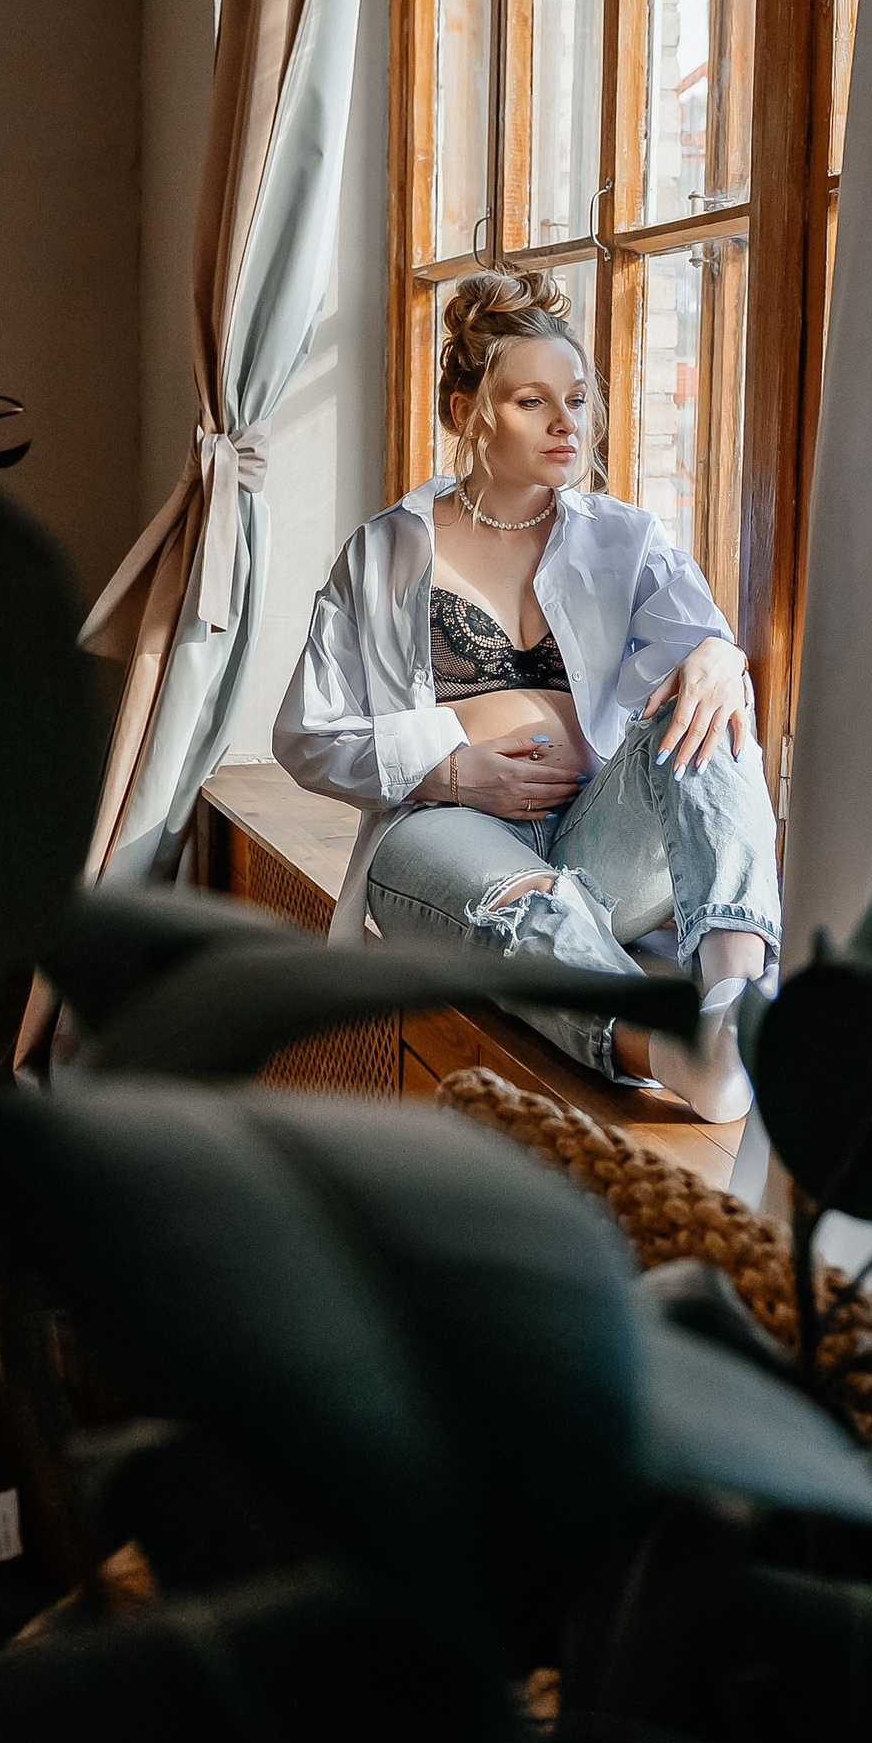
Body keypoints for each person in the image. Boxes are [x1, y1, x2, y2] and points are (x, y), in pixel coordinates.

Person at [273, 266, 781, 1119]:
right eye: (531, 402)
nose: (564, 423)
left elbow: (702, 645)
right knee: (522, 907)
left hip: (595, 831)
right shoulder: (386, 551)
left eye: (577, 400)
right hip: (442, 836)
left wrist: (719, 659)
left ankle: (734, 1003)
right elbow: (308, 734)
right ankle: (672, 1050)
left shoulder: (626, 537)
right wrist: (454, 773)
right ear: (468, 412)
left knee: (710, 716)